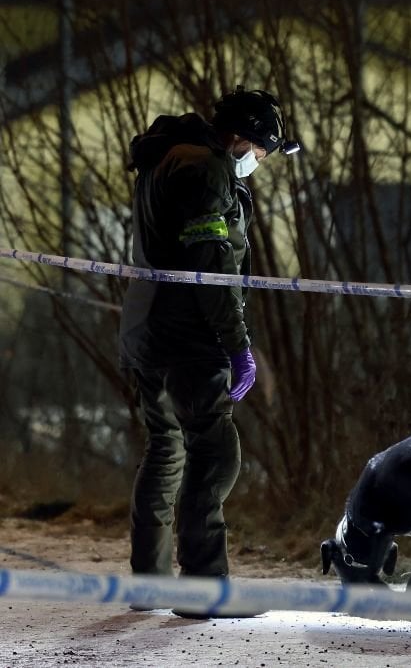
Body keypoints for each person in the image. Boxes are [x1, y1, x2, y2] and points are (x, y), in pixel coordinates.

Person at [119, 86, 298, 608]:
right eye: (262, 153)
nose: (259, 164)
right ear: (241, 139)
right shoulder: (207, 168)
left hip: (147, 331)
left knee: (164, 450)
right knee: (215, 452)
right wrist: (236, 344)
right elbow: (212, 265)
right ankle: (204, 589)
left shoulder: (162, 158)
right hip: (189, 338)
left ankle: (149, 583)